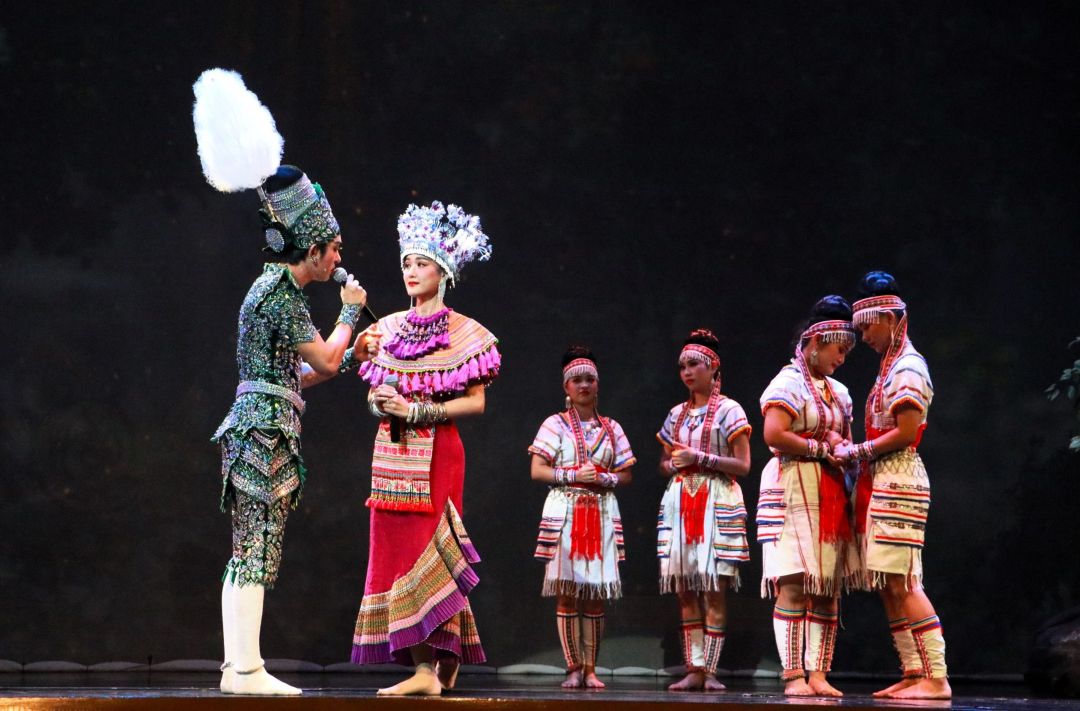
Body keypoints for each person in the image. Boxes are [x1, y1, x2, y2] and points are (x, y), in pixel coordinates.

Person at [194, 70, 378, 696]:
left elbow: (295, 374)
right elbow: (321, 360)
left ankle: (236, 667)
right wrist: (349, 316)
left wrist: (348, 355)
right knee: (256, 548)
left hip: (262, 421)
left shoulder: (272, 290)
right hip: (262, 434)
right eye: (333, 249)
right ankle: (246, 670)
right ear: (311, 248)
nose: (338, 259)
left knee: (250, 547)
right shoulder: (281, 292)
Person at [350, 201, 500, 696]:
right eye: (406, 264)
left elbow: (475, 402)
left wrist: (417, 411)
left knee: (431, 549)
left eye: (422, 264)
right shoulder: (387, 329)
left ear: (444, 271)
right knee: (395, 552)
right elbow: (374, 394)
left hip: (438, 454)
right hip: (392, 455)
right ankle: (436, 660)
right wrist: (380, 403)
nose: (411, 272)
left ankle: (427, 668)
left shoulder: (466, 333)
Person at [833, 271, 951, 700]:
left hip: (899, 476)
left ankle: (936, 677)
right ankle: (914, 670)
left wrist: (858, 451)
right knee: (888, 583)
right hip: (882, 476)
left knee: (904, 581)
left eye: (867, 327)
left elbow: (906, 431)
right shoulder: (890, 366)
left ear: (889, 318)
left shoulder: (908, 366)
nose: (863, 337)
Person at [756, 297, 859, 697]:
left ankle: (819, 674)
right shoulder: (788, 383)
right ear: (816, 342)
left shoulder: (840, 392)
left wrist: (843, 448)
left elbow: (844, 439)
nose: (842, 358)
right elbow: (774, 434)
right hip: (792, 486)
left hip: (829, 491)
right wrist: (820, 447)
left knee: (827, 587)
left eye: (847, 352)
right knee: (795, 583)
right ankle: (793, 675)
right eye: (839, 349)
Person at [528, 347, 635, 689]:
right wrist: (572, 475)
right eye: (577, 380)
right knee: (567, 591)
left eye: (589, 379)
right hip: (566, 510)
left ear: (597, 384)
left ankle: (591, 668)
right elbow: (537, 469)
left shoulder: (612, 427)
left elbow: (627, 473)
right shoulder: (554, 424)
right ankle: (573, 666)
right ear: (567, 387)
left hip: (600, 510)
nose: (584, 385)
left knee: (595, 594)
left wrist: (605, 478)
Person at [656, 329, 751, 691]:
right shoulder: (676, 414)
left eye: (694, 364)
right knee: (685, 590)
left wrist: (701, 457)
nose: (687, 372)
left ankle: (709, 670)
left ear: (713, 368)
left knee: (713, 588)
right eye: (682, 366)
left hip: (717, 498)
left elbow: (743, 465)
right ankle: (693, 668)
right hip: (682, 499)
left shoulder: (730, 410)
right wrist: (674, 465)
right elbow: (664, 463)